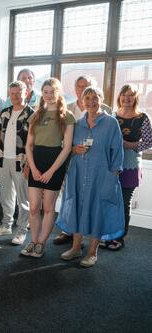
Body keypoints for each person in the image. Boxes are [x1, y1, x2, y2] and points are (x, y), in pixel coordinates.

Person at [56, 87, 124, 267]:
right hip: (78, 173)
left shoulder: (111, 123)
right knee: (77, 208)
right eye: (88, 98)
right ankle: (76, 247)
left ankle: (92, 252)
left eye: (95, 98)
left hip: (101, 174)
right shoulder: (77, 123)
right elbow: (67, 147)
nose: (92, 102)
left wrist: (113, 175)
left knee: (97, 210)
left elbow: (117, 150)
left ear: (101, 99)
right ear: (82, 100)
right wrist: (73, 150)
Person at [53, 75, 111, 245]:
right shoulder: (67, 109)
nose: (82, 89)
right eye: (79, 86)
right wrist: (71, 150)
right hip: (73, 163)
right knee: (70, 198)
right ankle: (69, 231)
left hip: (96, 165)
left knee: (94, 201)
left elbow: (110, 139)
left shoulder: (106, 110)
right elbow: (61, 138)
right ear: (75, 89)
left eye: (86, 86)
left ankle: (92, 235)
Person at [22, 78, 75, 258]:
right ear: (41, 94)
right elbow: (28, 146)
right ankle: (33, 240)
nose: (49, 95)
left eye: (52, 92)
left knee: (48, 208)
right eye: (45, 92)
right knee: (34, 207)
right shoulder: (35, 115)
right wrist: (34, 168)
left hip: (55, 164)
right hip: (37, 162)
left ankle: (41, 244)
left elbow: (67, 147)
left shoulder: (66, 116)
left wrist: (51, 171)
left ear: (58, 92)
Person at [102, 84, 152, 251]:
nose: (127, 98)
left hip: (130, 166)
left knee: (123, 203)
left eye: (131, 95)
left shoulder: (143, 118)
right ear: (119, 97)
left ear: (135, 98)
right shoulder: (112, 116)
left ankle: (119, 238)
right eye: (124, 95)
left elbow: (149, 142)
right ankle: (108, 235)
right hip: (111, 166)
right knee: (110, 202)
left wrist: (128, 145)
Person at [0, 81, 33, 245]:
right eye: (12, 93)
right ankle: (6, 225)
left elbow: (32, 142)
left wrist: (29, 163)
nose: (15, 96)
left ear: (26, 93)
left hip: (20, 161)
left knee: (23, 198)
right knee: (6, 195)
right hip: (3, 159)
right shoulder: (4, 112)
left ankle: (21, 230)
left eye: (18, 93)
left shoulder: (31, 114)